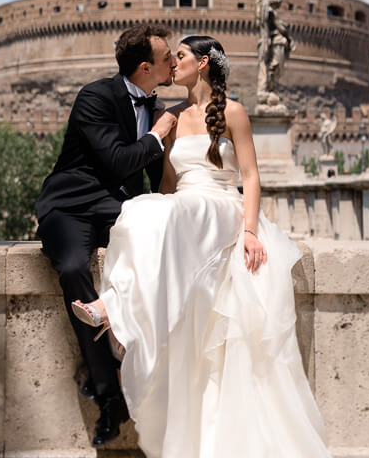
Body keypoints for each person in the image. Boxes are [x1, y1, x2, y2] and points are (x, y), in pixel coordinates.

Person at [72, 36, 329, 457]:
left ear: (203, 62)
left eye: (181, 56)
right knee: (141, 211)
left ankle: (113, 310)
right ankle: (118, 308)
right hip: (188, 208)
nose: (172, 63)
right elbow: (169, 186)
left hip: (223, 208)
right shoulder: (170, 117)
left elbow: (251, 176)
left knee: (173, 213)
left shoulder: (233, 112)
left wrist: (249, 231)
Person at [35, 24, 178, 447]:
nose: (174, 62)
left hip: (119, 209)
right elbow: (117, 161)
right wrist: (157, 136)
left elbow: (157, 178)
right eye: (168, 57)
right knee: (75, 268)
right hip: (73, 204)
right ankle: (108, 392)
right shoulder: (96, 97)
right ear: (146, 67)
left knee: (157, 252)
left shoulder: (156, 107)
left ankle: (143, 376)